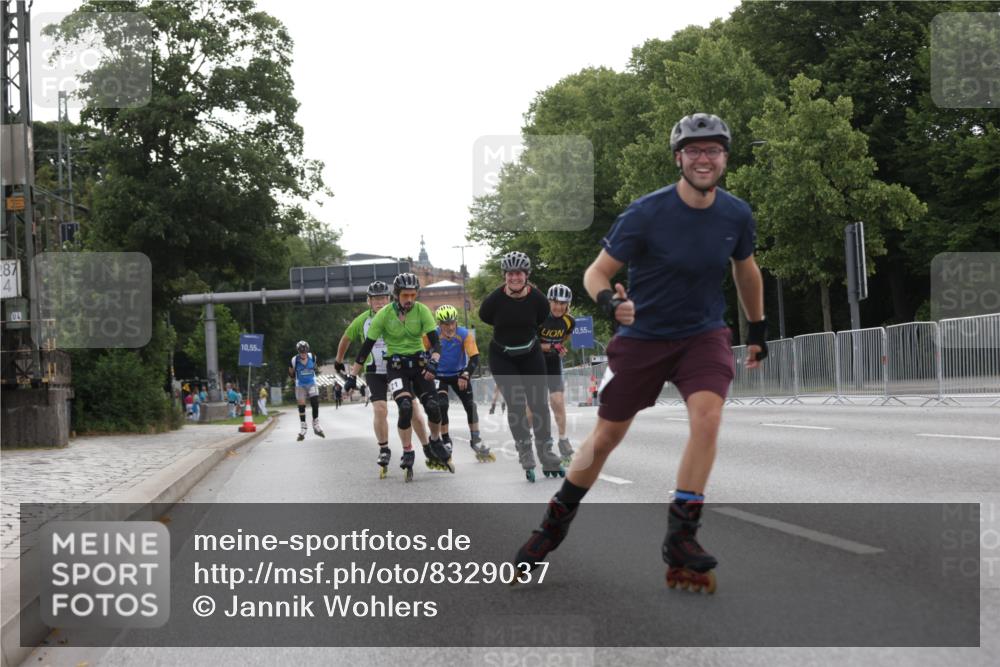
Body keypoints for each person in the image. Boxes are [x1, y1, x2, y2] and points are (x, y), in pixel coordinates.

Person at [513, 113, 768, 593]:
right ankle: (552, 525)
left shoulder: (736, 214)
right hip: (644, 338)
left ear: (725, 158)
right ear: (678, 158)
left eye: (713, 150)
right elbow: (596, 272)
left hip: (702, 335)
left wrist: (757, 326)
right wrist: (610, 303)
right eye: (694, 151)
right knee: (605, 438)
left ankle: (682, 535)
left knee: (708, 416)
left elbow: (746, 270)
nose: (704, 159)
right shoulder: (646, 213)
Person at [351, 273, 450, 481]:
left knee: (433, 406)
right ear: (396, 295)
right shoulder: (384, 315)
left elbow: (436, 343)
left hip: (419, 364)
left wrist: (434, 361)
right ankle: (407, 450)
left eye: (413, 295)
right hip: (396, 367)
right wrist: (352, 375)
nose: (409, 299)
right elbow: (366, 347)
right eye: (405, 295)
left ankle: (434, 439)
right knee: (405, 407)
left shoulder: (422, 311)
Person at [479, 251, 563, 482]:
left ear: (526, 275)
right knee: (516, 403)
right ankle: (525, 449)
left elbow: (541, 318)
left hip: (530, 354)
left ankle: (546, 451)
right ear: (504, 275)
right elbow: (486, 317)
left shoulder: (538, 300)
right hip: (502, 356)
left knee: (539, 404)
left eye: (519, 273)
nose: (514, 277)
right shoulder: (493, 301)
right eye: (510, 274)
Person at [336, 280, 433, 479]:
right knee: (380, 409)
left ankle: (427, 447)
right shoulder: (362, 320)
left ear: (390, 298)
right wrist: (339, 361)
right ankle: (384, 448)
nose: (380, 302)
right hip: (375, 371)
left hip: (399, 368)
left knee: (413, 410)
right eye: (375, 299)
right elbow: (346, 339)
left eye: (383, 298)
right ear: (368, 301)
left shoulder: (400, 314)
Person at [431, 305, 494, 463]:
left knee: (471, 406)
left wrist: (465, 375)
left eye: (453, 323)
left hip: (458, 374)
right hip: (439, 376)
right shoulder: (432, 335)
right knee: (442, 405)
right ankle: (446, 441)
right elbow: (420, 352)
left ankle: (476, 439)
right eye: (446, 324)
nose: (450, 327)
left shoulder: (464, 334)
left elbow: (474, 358)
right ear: (439, 324)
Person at [539, 284, 576, 464]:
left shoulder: (569, 322)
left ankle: (563, 440)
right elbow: (531, 344)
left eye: (563, 303)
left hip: (553, 363)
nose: (558, 307)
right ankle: (526, 438)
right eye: (555, 302)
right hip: (536, 363)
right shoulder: (539, 318)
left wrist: (560, 349)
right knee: (533, 408)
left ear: (567, 305)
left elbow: (564, 339)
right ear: (549, 302)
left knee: (558, 402)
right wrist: (552, 346)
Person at [289, 340, 325, 440]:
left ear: (307, 351)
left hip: (311, 383)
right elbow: (291, 372)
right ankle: (303, 426)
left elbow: (314, 367)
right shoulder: (294, 360)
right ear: (298, 352)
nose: (303, 354)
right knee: (301, 405)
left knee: (315, 402)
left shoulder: (312, 357)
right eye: (301, 352)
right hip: (300, 384)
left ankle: (316, 424)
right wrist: (294, 379)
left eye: (305, 352)